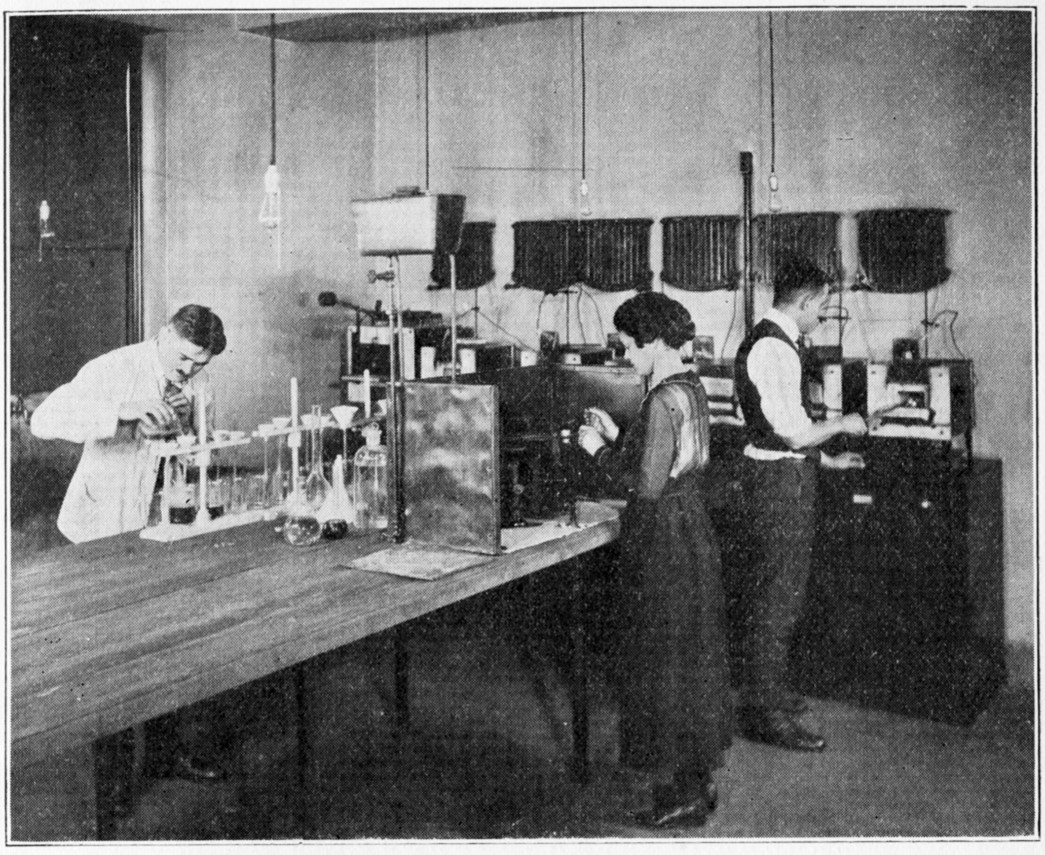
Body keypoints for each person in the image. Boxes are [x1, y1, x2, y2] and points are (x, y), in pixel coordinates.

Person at [31, 305, 230, 790]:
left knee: (164, 645)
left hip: (160, 525)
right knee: (110, 661)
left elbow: (199, 450)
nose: (188, 371)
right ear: (163, 335)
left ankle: (165, 756)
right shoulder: (113, 368)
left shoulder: (197, 383)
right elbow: (44, 419)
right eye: (183, 359)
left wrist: (191, 431)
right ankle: (114, 783)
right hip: (101, 528)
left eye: (199, 364)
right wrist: (122, 417)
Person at [578, 291, 731, 829]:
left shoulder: (659, 400)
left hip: (661, 538)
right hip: (692, 530)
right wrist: (621, 434)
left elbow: (645, 485)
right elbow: (671, 463)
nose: (625, 356)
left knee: (660, 662)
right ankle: (696, 783)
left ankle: (679, 796)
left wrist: (595, 447)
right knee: (691, 660)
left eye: (626, 345)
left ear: (649, 339)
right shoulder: (690, 387)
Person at [731, 255, 868, 752]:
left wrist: (825, 463)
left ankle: (769, 692)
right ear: (806, 301)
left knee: (778, 593)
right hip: (777, 485)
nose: (822, 315)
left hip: (783, 476)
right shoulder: (774, 348)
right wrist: (843, 424)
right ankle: (765, 712)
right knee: (777, 598)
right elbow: (791, 432)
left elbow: (783, 430)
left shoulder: (776, 340)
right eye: (823, 306)